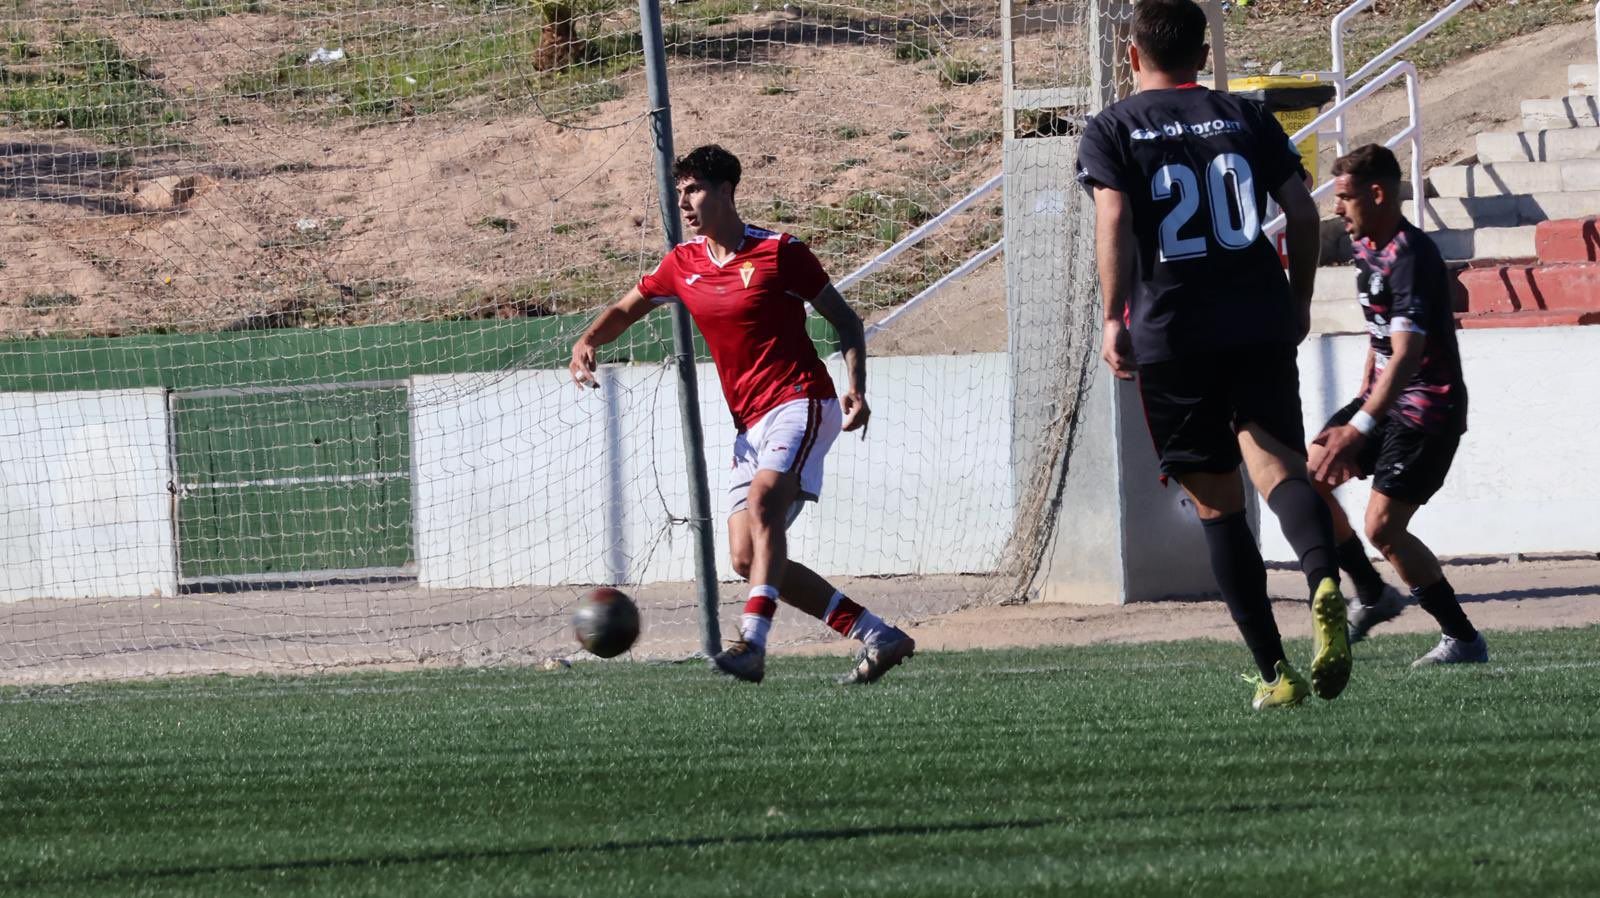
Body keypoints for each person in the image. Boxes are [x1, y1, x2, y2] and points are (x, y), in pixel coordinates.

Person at [1076, 0, 1350, 709]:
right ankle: (1323, 579)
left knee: (1219, 511)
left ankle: (1276, 673)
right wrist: (1295, 300)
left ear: (1131, 57)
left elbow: (1114, 215)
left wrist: (1113, 317)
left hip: (1175, 332)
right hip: (1257, 321)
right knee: (1281, 472)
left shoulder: (1114, 126)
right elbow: (1305, 211)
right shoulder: (1247, 116)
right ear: (1203, 54)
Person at [569, 144, 915, 685]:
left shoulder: (781, 252)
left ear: (727, 191)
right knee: (745, 558)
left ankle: (752, 644)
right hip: (749, 423)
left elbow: (846, 321)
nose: (684, 203)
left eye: (695, 190)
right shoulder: (682, 264)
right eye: (680, 192)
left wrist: (857, 388)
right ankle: (876, 633)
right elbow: (625, 309)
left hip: (803, 401)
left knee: (763, 503)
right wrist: (588, 339)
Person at [1310, 144, 1487, 666]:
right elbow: (1385, 333)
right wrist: (1367, 379)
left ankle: (1463, 639)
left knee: (1383, 527)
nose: (1337, 209)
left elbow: (1409, 356)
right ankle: (1372, 593)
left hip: (1428, 408)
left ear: (1379, 193)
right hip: (1385, 399)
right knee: (1311, 476)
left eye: (1344, 197)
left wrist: (1360, 425)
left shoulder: (1411, 254)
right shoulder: (1366, 246)